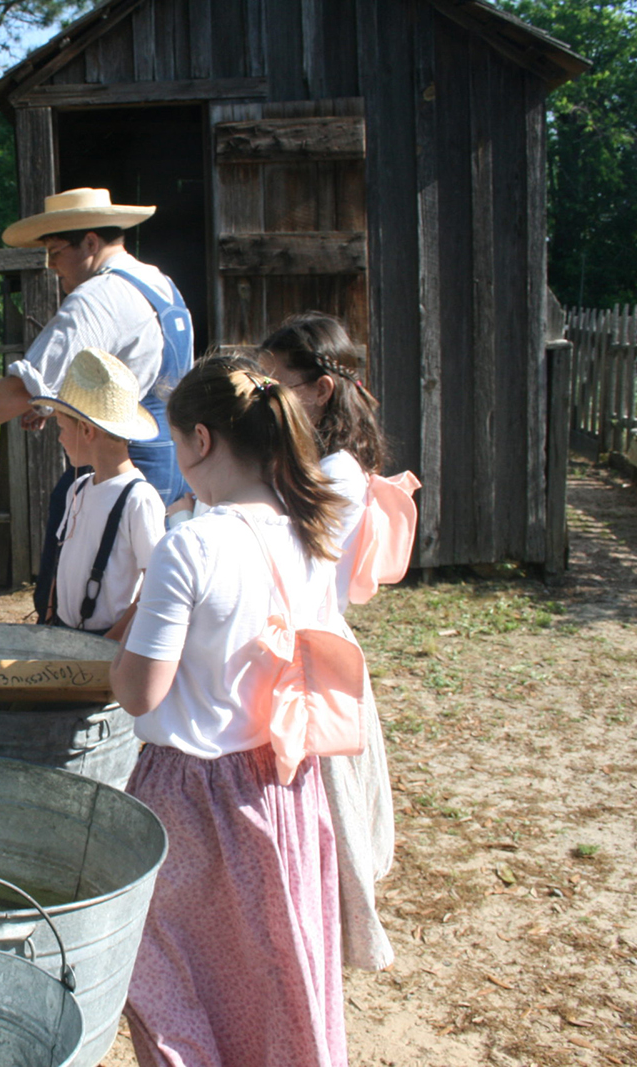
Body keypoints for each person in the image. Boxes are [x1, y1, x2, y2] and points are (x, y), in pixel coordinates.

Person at [110, 356, 349, 1067]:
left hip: (190, 797)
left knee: (173, 986)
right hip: (284, 787)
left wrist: (119, 656)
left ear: (202, 441)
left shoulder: (192, 544)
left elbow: (139, 692)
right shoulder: (311, 531)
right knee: (272, 975)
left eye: (177, 440)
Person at [0, 187, 192, 612]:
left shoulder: (97, 298)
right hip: (173, 465)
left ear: (91, 243)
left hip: (120, 468)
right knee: (146, 594)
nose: (53, 268)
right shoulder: (160, 283)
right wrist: (55, 404)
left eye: (57, 253)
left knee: (92, 601)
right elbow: (117, 378)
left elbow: (22, 388)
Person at [260, 311, 397, 971]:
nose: (264, 395)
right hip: (290, 642)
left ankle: (336, 927)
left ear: (317, 390)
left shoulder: (337, 472)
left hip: (312, 654)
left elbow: (294, 560)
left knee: (326, 799)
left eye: (275, 382)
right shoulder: (309, 460)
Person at [32, 347, 165, 636]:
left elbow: (156, 584)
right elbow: (62, 555)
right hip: (64, 632)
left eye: (62, 427)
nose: (60, 437)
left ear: (88, 431)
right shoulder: (77, 487)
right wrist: (51, 613)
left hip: (106, 641)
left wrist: (110, 642)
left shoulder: (138, 499)